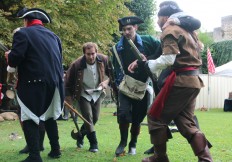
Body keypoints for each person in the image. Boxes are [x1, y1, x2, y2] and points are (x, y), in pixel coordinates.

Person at [128, 1, 213, 162]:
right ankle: (205, 159)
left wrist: (149, 64)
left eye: (159, 18)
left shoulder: (170, 29)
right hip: (193, 81)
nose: (158, 22)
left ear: (165, 17)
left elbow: (168, 58)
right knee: (186, 122)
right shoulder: (189, 31)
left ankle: (160, 157)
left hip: (180, 82)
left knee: (155, 117)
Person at [5, 7, 64, 162]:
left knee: (29, 117)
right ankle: (56, 150)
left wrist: (9, 57)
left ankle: (34, 156)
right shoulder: (55, 36)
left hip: (33, 83)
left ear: (26, 21)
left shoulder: (22, 33)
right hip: (56, 83)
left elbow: (16, 58)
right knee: (50, 116)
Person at [110, 16, 162, 157]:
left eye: (129, 28)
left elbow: (163, 51)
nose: (126, 32)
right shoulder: (116, 48)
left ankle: (133, 143)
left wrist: (148, 59)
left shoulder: (149, 41)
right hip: (125, 86)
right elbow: (115, 69)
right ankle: (122, 143)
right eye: (123, 30)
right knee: (123, 114)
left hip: (144, 86)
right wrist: (116, 87)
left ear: (136, 28)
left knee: (138, 117)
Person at [65, 42, 109, 153]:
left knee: (95, 118)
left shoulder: (104, 59)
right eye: (88, 54)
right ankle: (94, 144)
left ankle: (80, 135)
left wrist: (106, 82)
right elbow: (67, 82)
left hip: (97, 92)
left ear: (97, 52)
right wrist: (68, 98)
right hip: (83, 93)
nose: (91, 56)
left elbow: (112, 74)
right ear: (84, 53)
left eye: (93, 53)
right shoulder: (77, 64)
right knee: (88, 117)